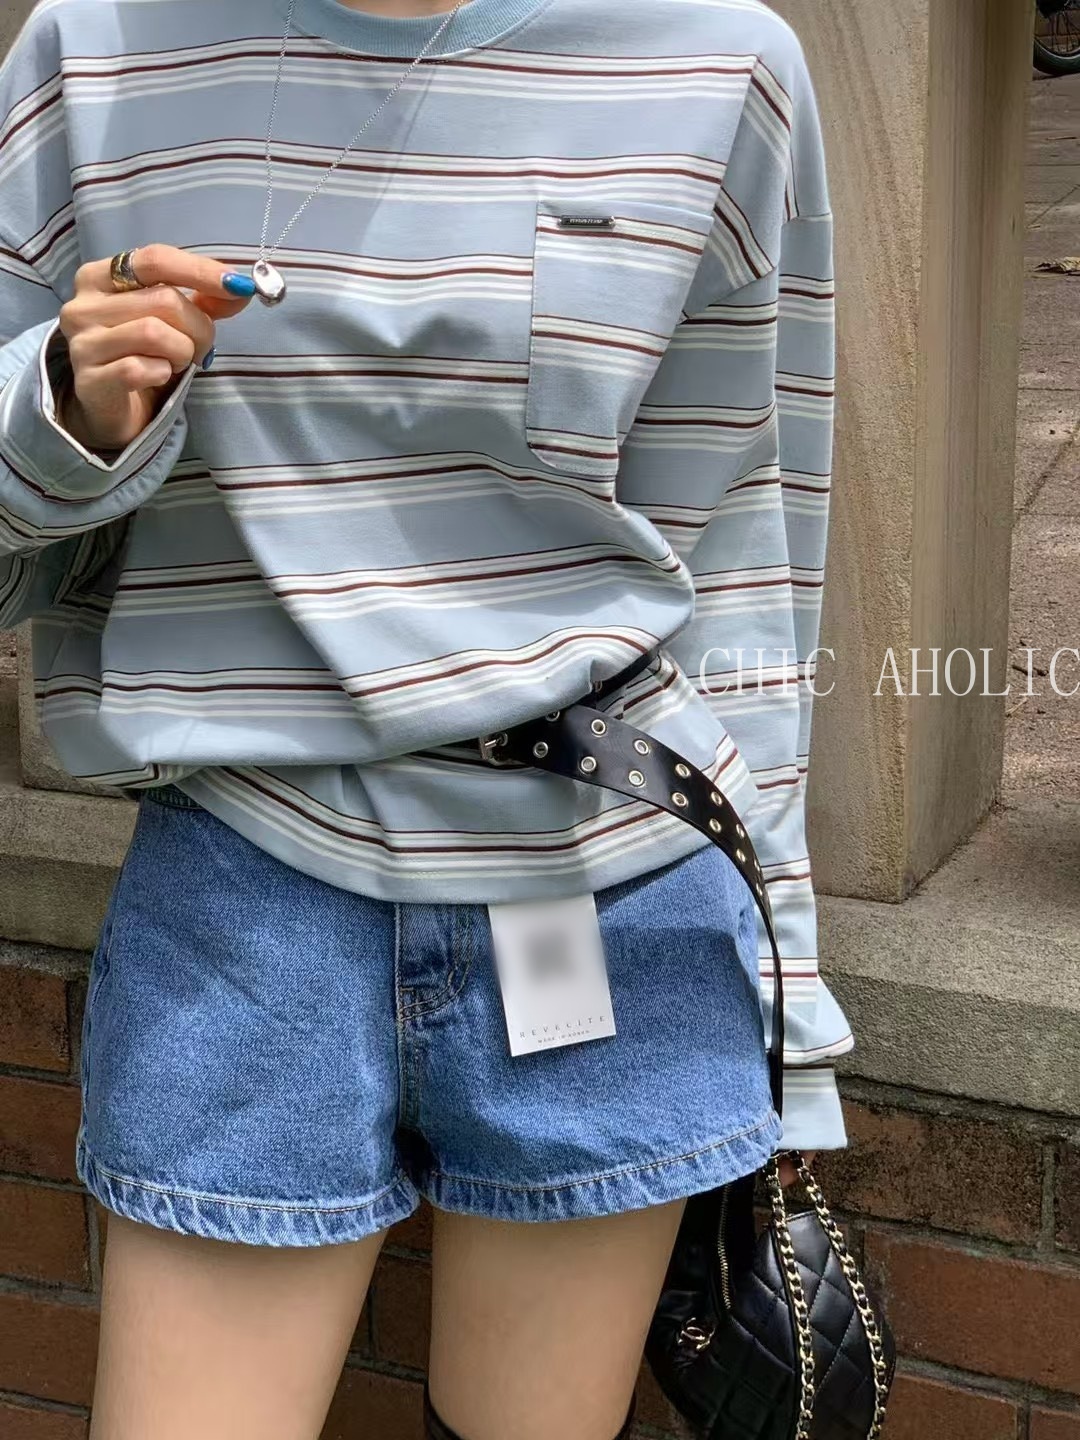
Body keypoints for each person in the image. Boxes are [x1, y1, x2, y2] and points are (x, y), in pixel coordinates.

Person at [0, 0, 853, 1435]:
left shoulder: (718, 62)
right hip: (245, 887)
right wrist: (66, 421)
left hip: (604, 882)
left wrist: (793, 1010)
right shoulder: (95, 51)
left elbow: (747, 569)